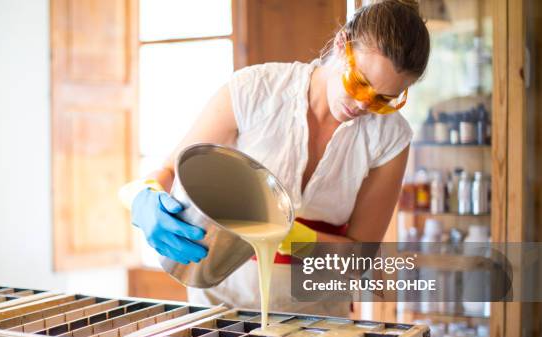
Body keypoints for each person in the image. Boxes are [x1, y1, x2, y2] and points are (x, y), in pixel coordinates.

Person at [120, 0, 430, 316]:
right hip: (221, 300)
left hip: (317, 310)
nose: (364, 105)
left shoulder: (389, 137)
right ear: (342, 44)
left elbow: (359, 257)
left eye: (384, 99)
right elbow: (171, 170)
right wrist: (143, 199)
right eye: (359, 83)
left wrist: (290, 236)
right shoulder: (254, 90)